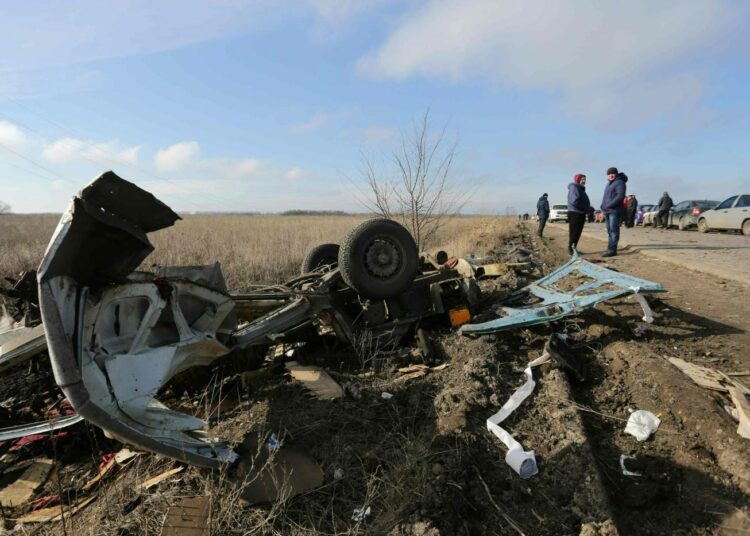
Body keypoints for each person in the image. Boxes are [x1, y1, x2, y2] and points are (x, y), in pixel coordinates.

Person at [600, 167, 627, 257]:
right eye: (609, 174)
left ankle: (612, 250)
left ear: (616, 174)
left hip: (614, 211)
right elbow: (605, 198)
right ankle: (610, 248)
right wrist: (602, 207)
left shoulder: (620, 183)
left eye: (613, 173)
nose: (611, 175)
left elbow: (620, 196)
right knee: (609, 230)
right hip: (607, 211)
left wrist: (608, 206)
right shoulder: (608, 185)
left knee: (613, 230)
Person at [567, 173, 590, 254]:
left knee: (577, 232)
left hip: (579, 213)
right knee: (574, 232)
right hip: (576, 213)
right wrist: (584, 208)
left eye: (585, 179)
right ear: (578, 179)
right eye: (582, 179)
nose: (584, 181)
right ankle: (571, 250)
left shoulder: (580, 188)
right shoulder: (574, 187)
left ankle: (573, 249)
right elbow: (574, 201)